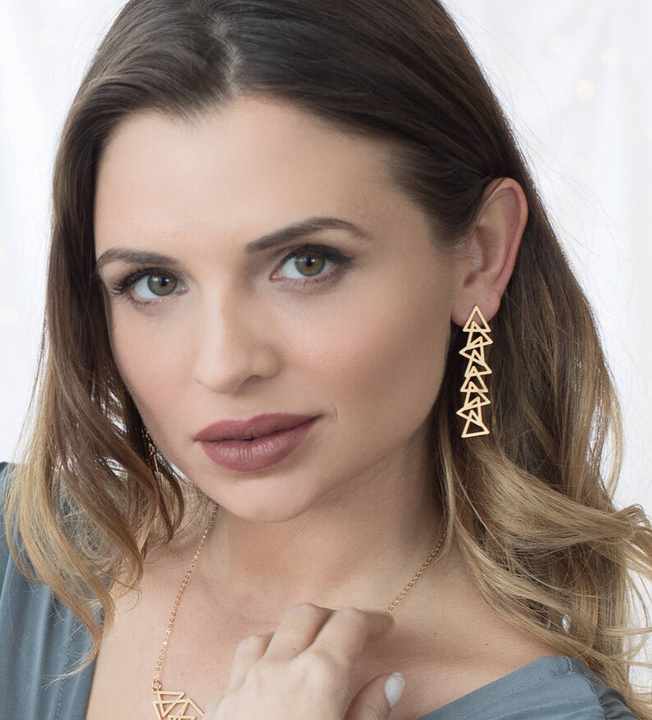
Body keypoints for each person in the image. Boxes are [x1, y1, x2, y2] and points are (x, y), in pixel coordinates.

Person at [1, 1, 649, 719]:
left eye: (307, 263)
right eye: (155, 282)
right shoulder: (16, 560)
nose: (224, 364)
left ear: (480, 254)